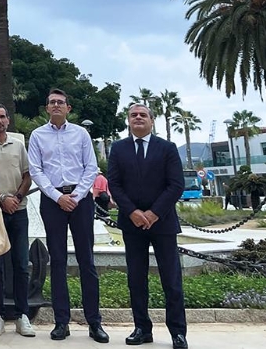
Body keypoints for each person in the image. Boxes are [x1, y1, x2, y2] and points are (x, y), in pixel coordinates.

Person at [28, 89, 108, 344]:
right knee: (58, 261)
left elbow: (91, 167)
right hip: (53, 202)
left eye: (60, 102)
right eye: (52, 102)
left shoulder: (81, 133)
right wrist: (56, 196)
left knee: (87, 261)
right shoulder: (38, 136)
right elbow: (36, 170)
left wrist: (77, 195)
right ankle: (61, 322)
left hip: (80, 201)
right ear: (46, 108)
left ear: (68, 108)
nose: (56, 106)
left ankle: (94, 322)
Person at [107, 104, 188, 349]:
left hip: (162, 223)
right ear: (128, 121)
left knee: (171, 279)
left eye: (143, 115)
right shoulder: (118, 149)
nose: (138, 118)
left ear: (152, 121)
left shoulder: (167, 148)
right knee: (136, 279)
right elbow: (114, 184)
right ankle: (142, 328)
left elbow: (176, 185)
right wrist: (132, 212)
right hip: (132, 224)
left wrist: (154, 213)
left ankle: (178, 332)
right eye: (134, 115)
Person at [0, 104, 36, 338]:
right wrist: (1, 198)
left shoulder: (18, 145)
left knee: (22, 264)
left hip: (19, 212)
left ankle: (23, 315)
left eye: (2, 117)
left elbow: (27, 175)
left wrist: (17, 197)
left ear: (8, 120)